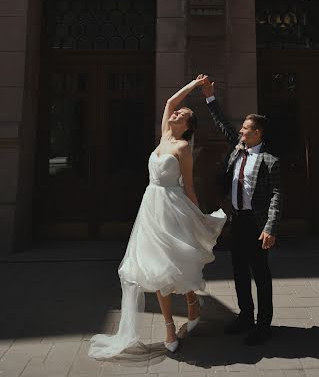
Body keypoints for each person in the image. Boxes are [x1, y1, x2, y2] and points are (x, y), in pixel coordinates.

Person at [88, 75, 226, 359]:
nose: (177, 113)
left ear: (187, 126)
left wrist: (198, 216)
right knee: (155, 266)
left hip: (173, 207)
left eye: (183, 114)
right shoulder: (164, 135)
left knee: (175, 263)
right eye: (177, 112)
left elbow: (188, 185)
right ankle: (169, 326)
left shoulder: (183, 148)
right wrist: (194, 86)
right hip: (151, 207)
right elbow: (170, 101)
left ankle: (191, 302)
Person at [201, 77, 280, 346]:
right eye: (243, 128)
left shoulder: (269, 161)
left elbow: (276, 197)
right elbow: (223, 124)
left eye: (246, 129)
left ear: (258, 133)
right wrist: (210, 97)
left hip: (257, 224)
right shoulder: (238, 149)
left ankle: (263, 324)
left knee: (261, 274)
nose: (241, 132)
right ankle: (245, 316)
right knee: (239, 271)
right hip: (237, 220)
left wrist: (270, 228)